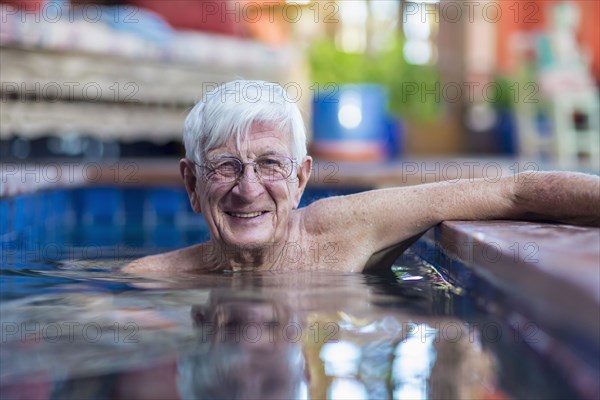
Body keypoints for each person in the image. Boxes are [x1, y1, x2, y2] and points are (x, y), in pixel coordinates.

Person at [124, 80, 599, 274]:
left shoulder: (347, 229)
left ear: (301, 178)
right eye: (226, 166)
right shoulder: (153, 280)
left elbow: (512, 191)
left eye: (270, 164)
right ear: (191, 184)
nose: (249, 188)